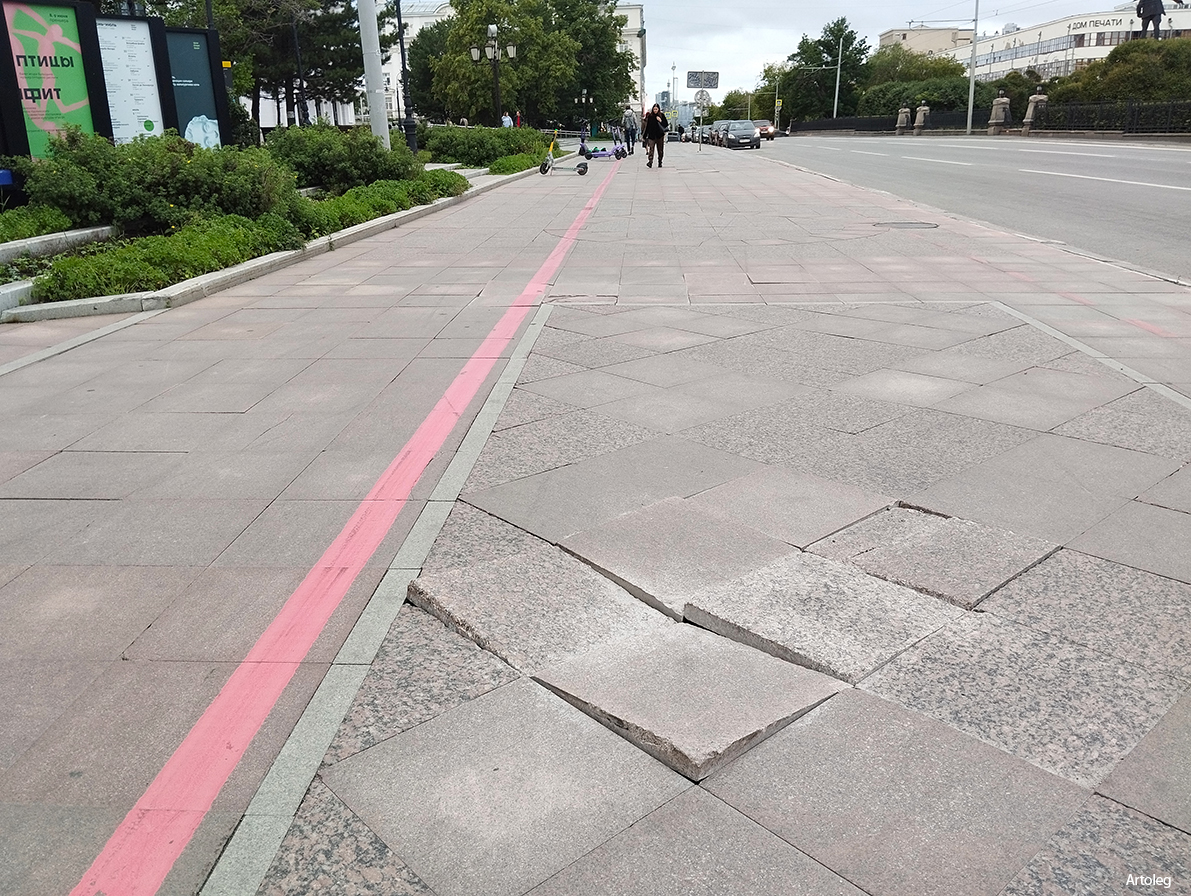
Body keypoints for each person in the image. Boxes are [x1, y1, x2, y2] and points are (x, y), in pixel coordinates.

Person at [643, 103, 668, 168]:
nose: (655, 110)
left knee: (660, 150)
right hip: (651, 136)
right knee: (651, 149)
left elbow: (666, 124)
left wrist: (660, 120)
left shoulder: (661, 115)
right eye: (654, 109)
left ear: (658, 109)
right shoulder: (650, 116)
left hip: (660, 135)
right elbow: (647, 127)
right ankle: (650, 161)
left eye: (656, 109)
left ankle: (660, 161)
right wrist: (644, 136)